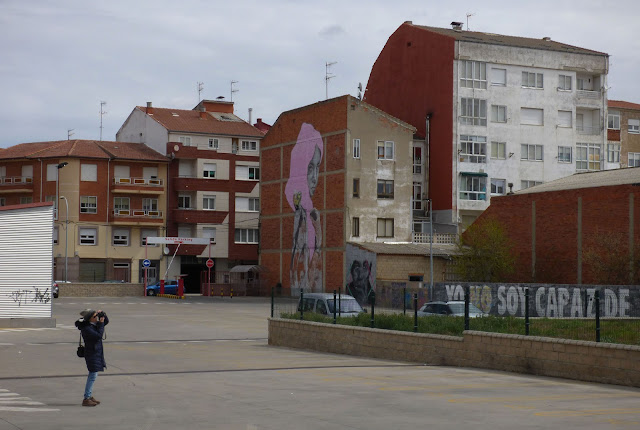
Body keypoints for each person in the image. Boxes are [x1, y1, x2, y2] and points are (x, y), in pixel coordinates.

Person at [285, 123, 324, 292]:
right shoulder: (300, 211)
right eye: (309, 168)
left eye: (317, 167)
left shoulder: (311, 213)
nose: (315, 177)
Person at [75, 308, 109, 407]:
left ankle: (89, 396)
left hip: (96, 353)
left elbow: (106, 322)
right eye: (95, 316)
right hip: (92, 353)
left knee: (93, 374)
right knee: (92, 375)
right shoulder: (87, 328)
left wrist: (103, 315)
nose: (96, 318)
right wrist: (101, 323)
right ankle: (86, 398)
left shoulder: (92, 324)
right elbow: (98, 336)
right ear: (89, 318)